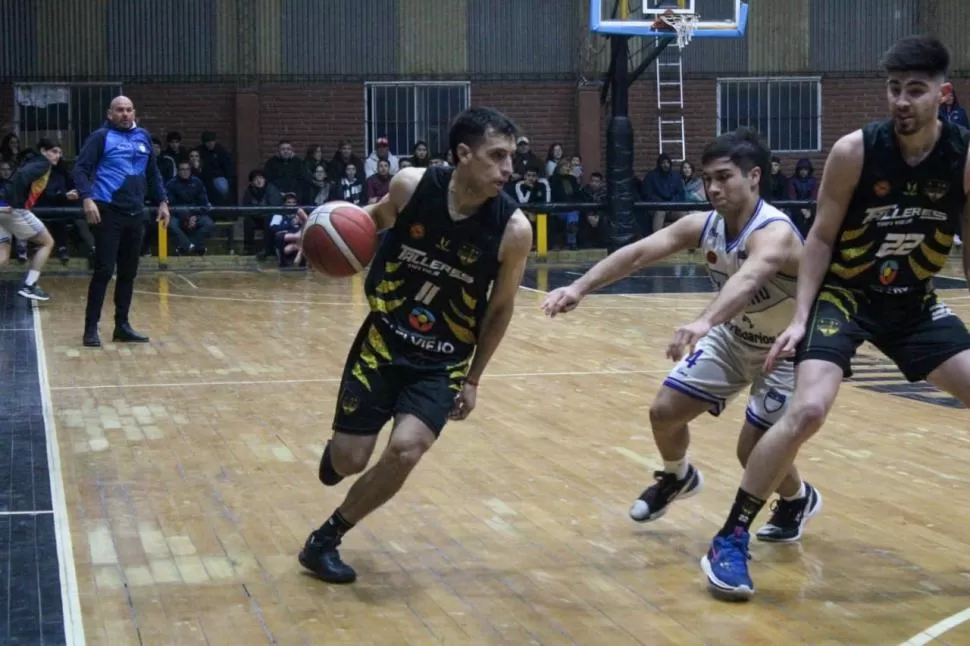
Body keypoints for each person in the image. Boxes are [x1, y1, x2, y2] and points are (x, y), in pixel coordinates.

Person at [701, 35, 970, 602]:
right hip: (844, 295)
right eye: (894, 89)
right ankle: (729, 537)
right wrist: (801, 317)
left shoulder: (963, 157)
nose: (901, 101)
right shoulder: (856, 151)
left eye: (915, 90)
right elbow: (820, 238)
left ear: (943, 95)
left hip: (913, 300)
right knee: (808, 411)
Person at [286, 107, 533, 584]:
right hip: (383, 342)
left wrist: (475, 378)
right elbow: (370, 222)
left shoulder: (513, 230)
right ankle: (340, 453)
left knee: (405, 449)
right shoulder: (412, 185)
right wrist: (321, 235)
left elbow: (500, 310)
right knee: (350, 460)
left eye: (511, 157)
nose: (508, 168)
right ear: (463, 154)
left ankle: (326, 539)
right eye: (497, 156)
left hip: (443, 361)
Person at [541, 128, 821, 543]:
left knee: (751, 453)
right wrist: (579, 287)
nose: (712, 188)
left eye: (724, 177)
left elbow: (748, 280)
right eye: (708, 179)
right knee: (664, 412)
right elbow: (638, 252)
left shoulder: (774, 231)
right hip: (734, 337)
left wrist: (703, 322)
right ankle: (678, 477)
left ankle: (798, 499)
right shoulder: (703, 225)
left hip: (784, 350)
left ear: (755, 177)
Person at [73, 96, 170, 348]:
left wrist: (162, 201)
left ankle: (122, 326)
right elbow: (80, 169)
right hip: (108, 212)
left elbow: (153, 173)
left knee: (128, 273)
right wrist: (86, 198)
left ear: (134, 112)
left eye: (128, 110)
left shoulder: (144, 137)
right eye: (120, 110)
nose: (125, 114)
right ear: (110, 113)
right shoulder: (100, 137)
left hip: (135, 214)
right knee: (104, 270)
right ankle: (90, 328)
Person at [0, 138, 65, 301]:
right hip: (13, 209)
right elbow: (21, 177)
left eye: (60, 153)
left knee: (2, 257)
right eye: (54, 151)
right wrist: (13, 203)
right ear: (43, 151)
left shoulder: (33, 162)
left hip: (3, 208)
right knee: (47, 243)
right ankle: (29, 286)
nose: (58, 156)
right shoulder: (42, 164)